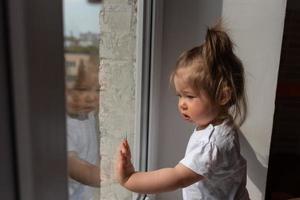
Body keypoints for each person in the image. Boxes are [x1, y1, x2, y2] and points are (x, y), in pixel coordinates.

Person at [115, 22, 249, 200]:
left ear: (223, 96)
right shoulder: (222, 123)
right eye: (179, 96)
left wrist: (130, 179)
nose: (181, 104)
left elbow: (176, 177)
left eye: (189, 96)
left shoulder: (211, 145)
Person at [66, 58, 101, 200]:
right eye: (81, 89)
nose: (91, 97)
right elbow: (74, 167)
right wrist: (108, 178)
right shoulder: (66, 126)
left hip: (85, 191)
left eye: (97, 89)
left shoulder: (86, 113)